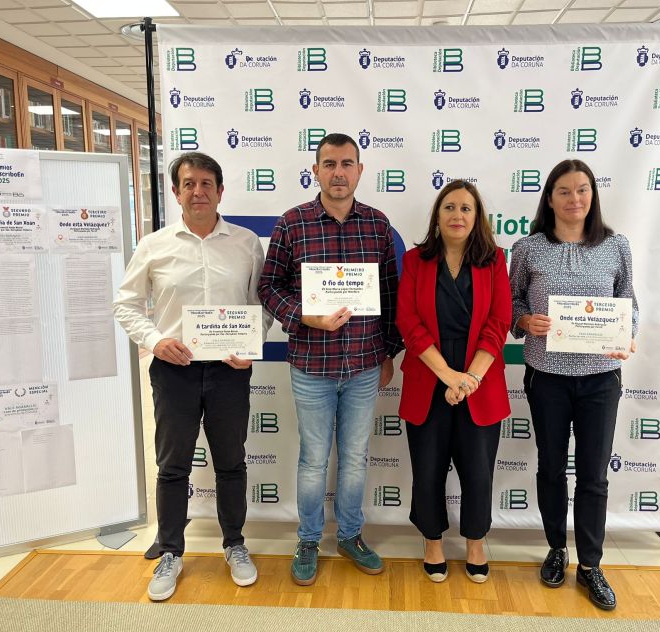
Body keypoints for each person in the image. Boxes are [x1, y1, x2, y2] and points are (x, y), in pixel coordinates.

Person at [114, 152, 271, 601]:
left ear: (221, 191)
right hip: (173, 371)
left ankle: (235, 545)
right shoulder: (154, 245)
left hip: (228, 372)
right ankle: (170, 552)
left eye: (206, 183)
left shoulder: (245, 243)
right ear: (176, 191)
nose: (198, 191)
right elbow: (125, 303)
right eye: (189, 184)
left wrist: (250, 345)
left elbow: (260, 305)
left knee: (231, 462)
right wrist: (155, 339)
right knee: (173, 466)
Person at [258, 133, 404, 586]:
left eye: (347, 163)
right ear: (315, 171)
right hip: (311, 367)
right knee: (313, 460)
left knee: (356, 458)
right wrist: (306, 316)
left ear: (360, 171)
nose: (338, 172)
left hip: (363, 365)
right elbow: (268, 287)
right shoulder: (292, 223)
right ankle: (307, 538)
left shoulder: (378, 226)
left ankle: (351, 535)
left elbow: (390, 296)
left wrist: (387, 353)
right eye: (329, 164)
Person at [509, 158, 638, 611]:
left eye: (582, 190)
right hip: (547, 377)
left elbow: (629, 304)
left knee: (594, 476)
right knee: (550, 468)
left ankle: (590, 566)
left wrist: (627, 336)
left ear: (592, 195)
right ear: (550, 198)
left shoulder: (616, 245)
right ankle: (555, 549)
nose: (574, 199)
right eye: (564, 191)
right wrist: (523, 319)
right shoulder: (527, 248)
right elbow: (511, 301)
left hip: (601, 379)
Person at [396, 180, 511, 584]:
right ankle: (432, 541)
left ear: (477, 216)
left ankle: (476, 541)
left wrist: (470, 379)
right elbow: (408, 324)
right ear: (437, 215)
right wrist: (448, 375)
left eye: (466, 208)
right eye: (449, 207)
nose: (457, 215)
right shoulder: (415, 261)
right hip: (430, 380)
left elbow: (499, 324)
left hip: (479, 380)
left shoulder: (495, 260)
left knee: (478, 471)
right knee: (427, 469)